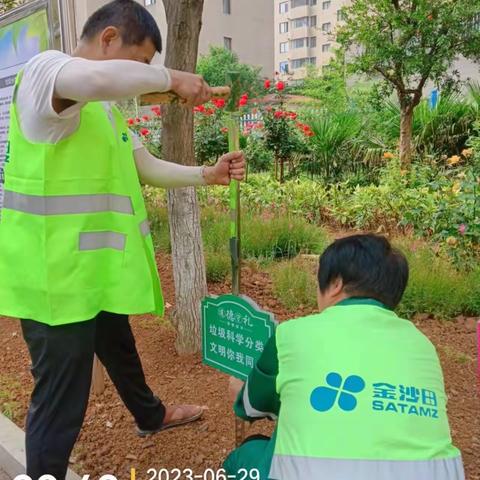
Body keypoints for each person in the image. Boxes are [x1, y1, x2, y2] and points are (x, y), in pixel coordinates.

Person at [0, 1, 245, 479]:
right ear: (109, 39)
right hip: (55, 283)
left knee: (119, 348)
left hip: (92, 274)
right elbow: (94, 79)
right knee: (59, 401)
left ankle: (149, 415)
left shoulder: (102, 110)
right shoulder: (45, 73)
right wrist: (173, 79)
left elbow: (144, 165)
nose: (143, 77)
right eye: (140, 64)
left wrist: (206, 174)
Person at [225, 234, 465, 480]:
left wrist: (240, 392)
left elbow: (250, 407)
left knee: (247, 453)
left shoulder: (292, 333)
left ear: (336, 283)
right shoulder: (422, 344)